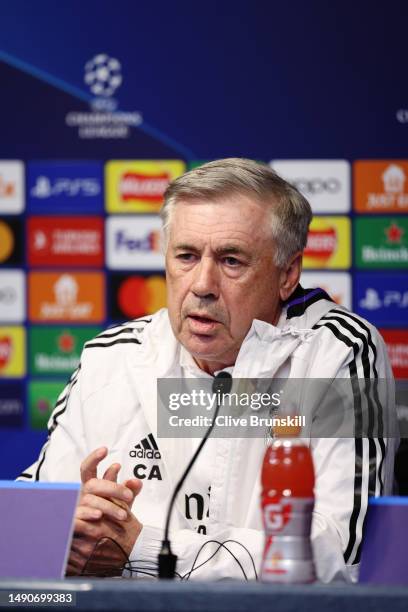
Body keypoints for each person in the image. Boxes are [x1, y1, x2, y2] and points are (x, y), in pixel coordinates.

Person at [18, 158, 397, 582]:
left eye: (231, 260)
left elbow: (343, 557)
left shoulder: (335, 353)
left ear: (287, 274)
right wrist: (67, 532)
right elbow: (27, 529)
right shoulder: (110, 358)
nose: (202, 284)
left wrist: (140, 548)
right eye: (186, 256)